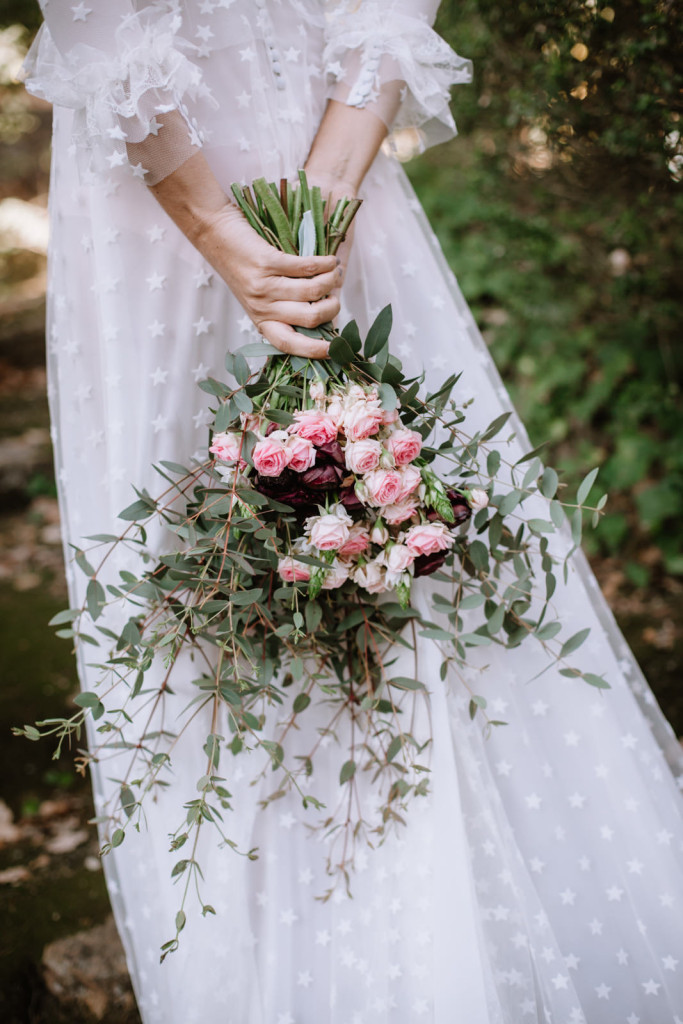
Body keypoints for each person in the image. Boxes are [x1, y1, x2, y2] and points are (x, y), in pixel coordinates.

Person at [24, 2, 683, 1021]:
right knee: (204, 555)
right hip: (161, 192)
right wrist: (241, 226)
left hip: (309, 151)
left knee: (398, 511)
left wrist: (317, 197)